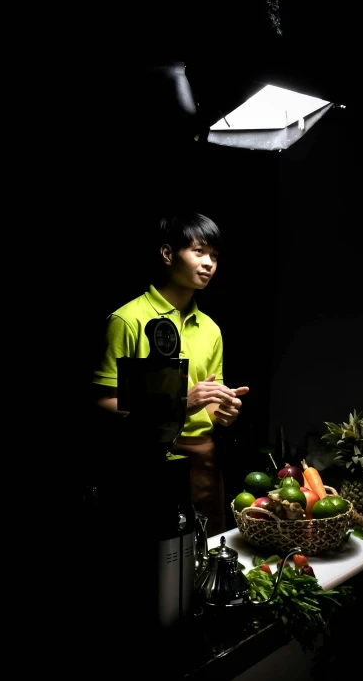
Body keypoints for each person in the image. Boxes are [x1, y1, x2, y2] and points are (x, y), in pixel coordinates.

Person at [92, 212, 249, 536]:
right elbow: (103, 401)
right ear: (167, 254)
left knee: (206, 554)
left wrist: (225, 411)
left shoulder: (211, 329)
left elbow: (208, 403)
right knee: (150, 560)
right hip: (143, 459)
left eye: (215, 256)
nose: (209, 263)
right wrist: (176, 404)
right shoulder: (127, 319)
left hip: (202, 456)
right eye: (199, 251)